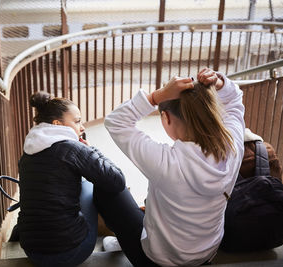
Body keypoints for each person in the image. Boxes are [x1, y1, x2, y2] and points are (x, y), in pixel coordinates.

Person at [95, 68, 245, 266]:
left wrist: (158, 95)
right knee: (158, 195)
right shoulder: (232, 147)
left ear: (166, 118)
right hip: (206, 255)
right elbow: (234, 101)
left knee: (106, 188)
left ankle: (125, 240)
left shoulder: (164, 161)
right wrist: (218, 83)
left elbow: (116, 122)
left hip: (157, 260)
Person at [17, 92, 125, 267]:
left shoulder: (28, 151)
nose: (82, 127)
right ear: (57, 124)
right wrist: (92, 150)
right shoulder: (71, 148)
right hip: (70, 253)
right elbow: (117, 180)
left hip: (32, 251)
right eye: (77, 121)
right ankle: (121, 239)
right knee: (91, 184)